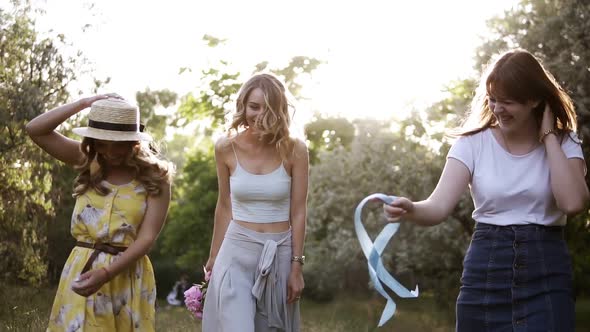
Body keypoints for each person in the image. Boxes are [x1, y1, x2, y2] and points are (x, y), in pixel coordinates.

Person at [383, 49, 589, 331]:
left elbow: (573, 202)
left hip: (547, 274)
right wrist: (411, 209)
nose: (497, 108)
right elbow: (438, 207)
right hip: (486, 274)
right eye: (492, 99)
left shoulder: (565, 143)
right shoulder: (472, 144)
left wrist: (549, 136)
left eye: (507, 101)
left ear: (534, 100)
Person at [26, 95, 173, 331]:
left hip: (127, 273)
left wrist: (106, 273)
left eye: (118, 143)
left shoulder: (156, 178)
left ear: (134, 141)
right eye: (102, 143)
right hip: (82, 269)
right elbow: (35, 130)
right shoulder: (88, 161)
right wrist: (84, 103)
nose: (109, 151)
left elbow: (147, 238)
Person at [201, 73, 308, 331]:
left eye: (268, 108)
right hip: (236, 252)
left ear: (280, 110)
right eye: (253, 106)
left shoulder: (296, 150)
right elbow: (224, 206)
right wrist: (213, 259)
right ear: (243, 106)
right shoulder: (226, 147)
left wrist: (296, 266)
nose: (259, 115)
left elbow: (299, 211)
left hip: (278, 254)